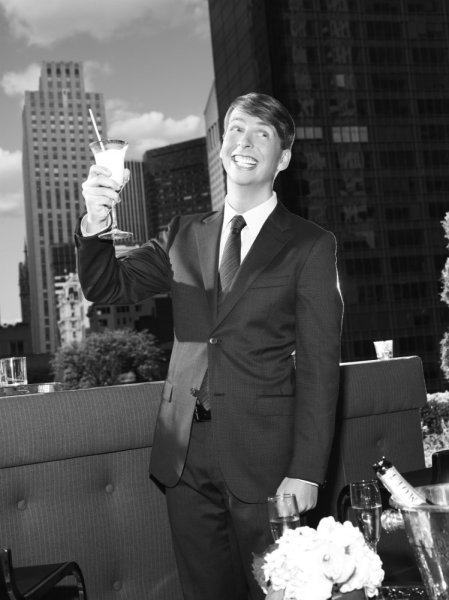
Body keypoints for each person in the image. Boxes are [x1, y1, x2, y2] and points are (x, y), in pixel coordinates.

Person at [75, 92, 343, 600]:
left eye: (261, 134)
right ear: (221, 147)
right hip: (183, 456)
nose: (245, 142)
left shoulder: (311, 244)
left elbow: (319, 366)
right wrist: (95, 222)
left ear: (283, 158)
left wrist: (307, 470)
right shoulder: (182, 234)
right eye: (236, 129)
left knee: (282, 592)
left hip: (267, 459)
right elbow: (106, 287)